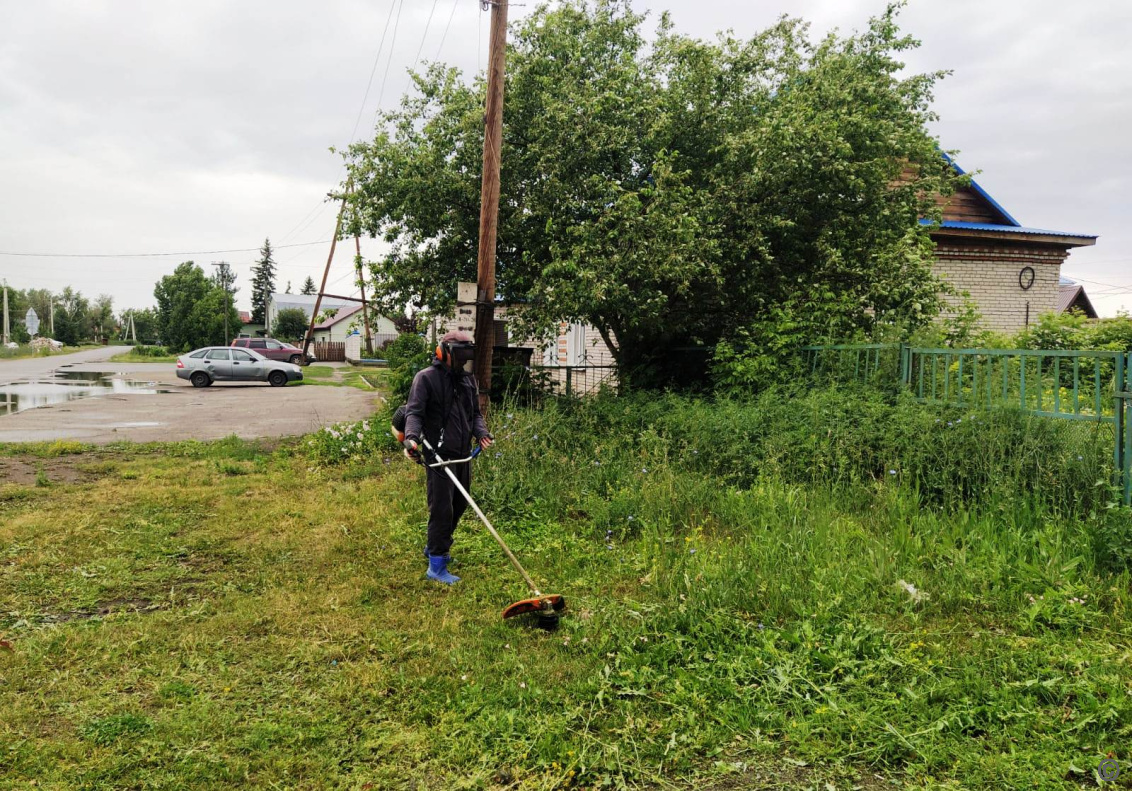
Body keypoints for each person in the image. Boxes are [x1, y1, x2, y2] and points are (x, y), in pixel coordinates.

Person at [401, 330, 493, 584]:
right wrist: (412, 438)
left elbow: (474, 414)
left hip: (462, 455)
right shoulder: (426, 379)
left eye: (467, 356)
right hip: (438, 456)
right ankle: (437, 565)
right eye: (460, 356)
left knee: (460, 505)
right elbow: (415, 413)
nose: (463, 362)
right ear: (444, 353)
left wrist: (481, 433)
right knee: (441, 510)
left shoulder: (467, 381)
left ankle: (434, 548)